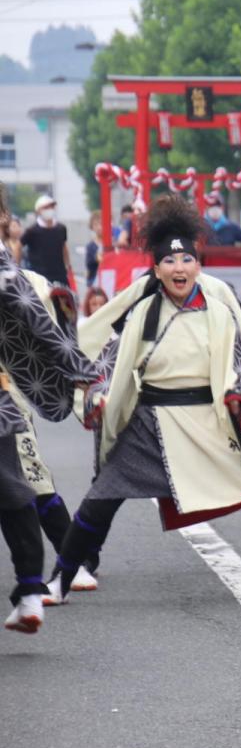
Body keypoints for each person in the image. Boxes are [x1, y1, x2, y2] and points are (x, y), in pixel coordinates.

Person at [46, 195, 241, 606]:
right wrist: (97, 397)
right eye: (169, 261)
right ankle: (61, 578)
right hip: (148, 422)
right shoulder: (142, 310)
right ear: (156, 269)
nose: (179, 268)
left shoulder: (217, 307)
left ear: (198, 264)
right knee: (101, 499)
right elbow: (112, 361)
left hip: (207, 418)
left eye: (186, 260)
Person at [0, 184, 95, 633]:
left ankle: (53, 573)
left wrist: (81, 369)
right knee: (15, 486)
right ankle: (36, 585)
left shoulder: (13, 274)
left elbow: (46, 328)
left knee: (23, 481)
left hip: (9, 393)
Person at [20, 195, 71, 286]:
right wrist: (17, 266)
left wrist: (68, 265)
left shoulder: (61, 228)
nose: (49, 210)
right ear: (38, 211)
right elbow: (19, 245)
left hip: (60, 274)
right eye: (46, 207)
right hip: (39, 276)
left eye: (51, 207)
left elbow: (63, 246)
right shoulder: (32, 230)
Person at [85, 210, 105, 287]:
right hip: (94, 281)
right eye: (96, 224)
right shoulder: (90, 246)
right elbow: (91, 263)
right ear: (92, 227)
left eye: (101, 223)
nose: (99, 227)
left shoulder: (114, 242)